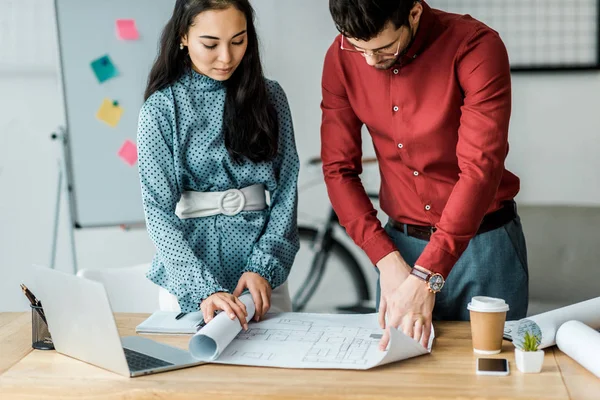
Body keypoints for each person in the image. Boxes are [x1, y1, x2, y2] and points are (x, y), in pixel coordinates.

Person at [320, 0, 528, 349]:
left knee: (493, 377)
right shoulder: (341, 56)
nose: (370, 61)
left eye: (384, 47)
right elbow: (338, 169)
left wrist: (427, 273)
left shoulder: (475, 46)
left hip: (484, 250)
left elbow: (479, 169)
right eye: (358, 47)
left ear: (413, 12)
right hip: (398, 252)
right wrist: (385, 261)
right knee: (399, 379)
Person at [137, 0, 299, 330]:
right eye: (210, 44)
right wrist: (203, 288)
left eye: (238, 41)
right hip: (189, 280)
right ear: (183, 36)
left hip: (260, 282)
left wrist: (263, 267)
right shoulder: (161, 109)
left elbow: (287, 186)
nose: (226, 58)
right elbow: (157, 210)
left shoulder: (270, 97)